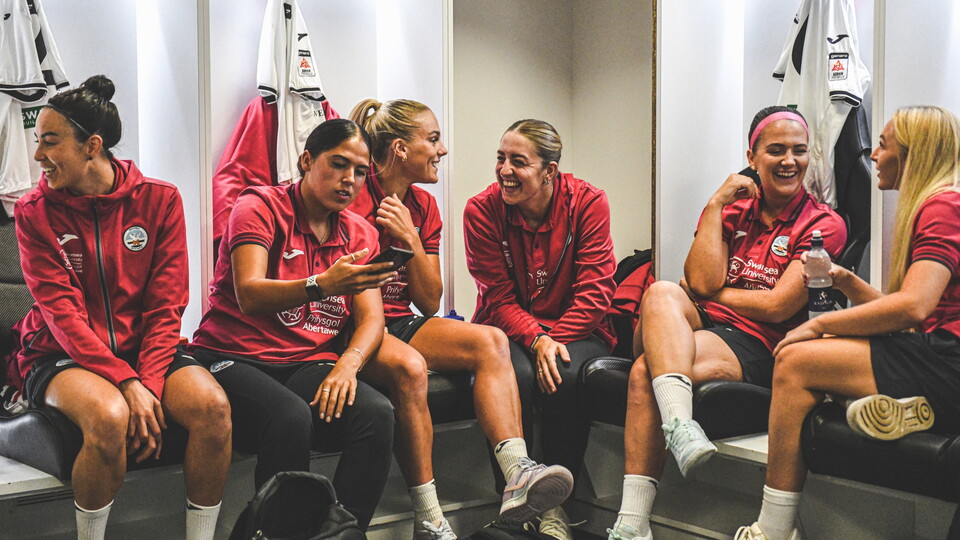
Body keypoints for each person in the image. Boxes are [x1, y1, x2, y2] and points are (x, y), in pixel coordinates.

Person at [607, 106, 847, 540]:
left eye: (798, 151)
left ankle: (631, 525)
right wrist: (716, 203)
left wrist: (712, 295)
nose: (789, 161)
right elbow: (699, 280)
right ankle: (681, 428)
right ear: (752, 157)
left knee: (645, 371)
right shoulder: (733, 209)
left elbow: (776, 306)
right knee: (661, 291)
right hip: (705, 327)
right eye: (776, 150)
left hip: (761, 342)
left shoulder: (823, 224)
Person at [9, 75, 231, 540]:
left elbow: (166, 305)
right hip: (61, 354)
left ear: (92, 146)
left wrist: (147, 381)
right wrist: (128, 383)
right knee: (110, 416)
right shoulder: (34, 212)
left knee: (213, 409)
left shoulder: (159, 199)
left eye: (50, 141)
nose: (37, 155)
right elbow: (63, 316)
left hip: (144, 350)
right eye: (37, 140)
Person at [349, 100, 575, 539]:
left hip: (397, 319)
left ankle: (517, 475)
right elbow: (352, 297)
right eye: (433, 140)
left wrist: (411, 238)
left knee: (490, 340)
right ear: (400, 149)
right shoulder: (352, 197)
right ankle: (430, 518)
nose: (443, 150)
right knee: (410, 367)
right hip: (350, 324)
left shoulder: (424, 206)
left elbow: (429, 300)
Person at [734, 107, 960, 539]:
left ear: (912, 153)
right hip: (938, 355)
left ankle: (772, 530)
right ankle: (903, 407)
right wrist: (846, 281)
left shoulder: (943, 205)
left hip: (950, 363)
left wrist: (821, 327)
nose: (872, 155)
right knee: (818, 359)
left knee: (796, 362)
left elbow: (913, 308)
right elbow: (911, 314)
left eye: (883, 146)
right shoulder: (941, 203)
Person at [189, 119, 397, 531]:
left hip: (305, 360)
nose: (349, 180)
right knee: (290, 417)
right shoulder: (258, 206)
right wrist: (323, 285)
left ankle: (339, 533)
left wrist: (348, 364)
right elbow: (249, 294)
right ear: (306, 160)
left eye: (360, 172)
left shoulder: (360, 232)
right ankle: (278, 532)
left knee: (377, 413)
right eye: (338, 164)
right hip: (233, 355)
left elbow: (372, 318)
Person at [463, 119, 616, 538]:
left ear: (550, 171)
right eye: (500, 158)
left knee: (563, 373)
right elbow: (497, 297)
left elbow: (596, 290)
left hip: (579, 328)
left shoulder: (588, 202)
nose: (504, 170)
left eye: (518, 161)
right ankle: (516, 501)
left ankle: (557, 509)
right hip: (511, 329)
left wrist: (554, 340)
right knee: (514, 373)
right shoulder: (481, 210)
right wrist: (536, 339)